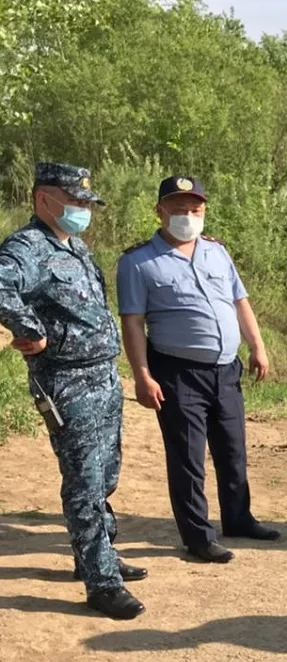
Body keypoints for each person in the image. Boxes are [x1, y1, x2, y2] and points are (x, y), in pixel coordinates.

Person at [0, 163, 146, 619]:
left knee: (105, 475)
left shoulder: (75, 245)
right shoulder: (27, 248)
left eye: (87, 203)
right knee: (83, 480)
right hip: (66, 381)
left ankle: (99, 554)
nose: (84, 210)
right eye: (76, 201)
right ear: (45, 199)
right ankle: (101, 582)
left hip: (102, 376)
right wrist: (29, 329)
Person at [117, 175, 280, 565]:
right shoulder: (138, 262)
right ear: (160, 211)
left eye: (195, 209)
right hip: (177, 372)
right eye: (178, 209)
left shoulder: (217, 253)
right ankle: (198, 537)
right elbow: (133, 323)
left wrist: (258, 346)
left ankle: (238, 519)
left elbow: (240, 302)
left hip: (226, 370)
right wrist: (142, 375)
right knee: (188, 457)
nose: (188, 216)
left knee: (232, 450)